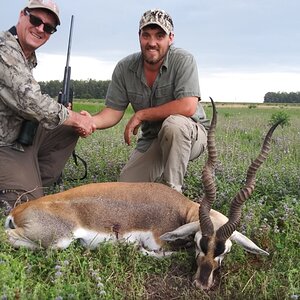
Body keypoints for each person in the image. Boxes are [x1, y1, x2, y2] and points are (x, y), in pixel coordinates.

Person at [92, 9, 209, 192]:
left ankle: (173, 195)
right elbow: (112, 112)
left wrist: (142, 114)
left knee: (174, 125)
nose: (152, 43)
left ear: (170, 38)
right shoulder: (125, 67)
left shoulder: (183, 60)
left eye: (159, 36)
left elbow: (187, 106)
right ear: (139, 36)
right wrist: (89, 121)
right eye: (146, 35)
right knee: (124, 190)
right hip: (153, 138)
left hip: (191, 135)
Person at [0, 0, 96, 213]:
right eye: (36, 20)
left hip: (18, 135)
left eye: (49, 27)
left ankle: (30, 178)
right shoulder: (4, 49)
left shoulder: (27, 55)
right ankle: (19, 188)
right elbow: (29, 101)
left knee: (67, 126)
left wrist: (68, 116)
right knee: (29, 207)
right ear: (21, 15)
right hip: (3, 144)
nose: (40, 29)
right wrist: (76, 117)